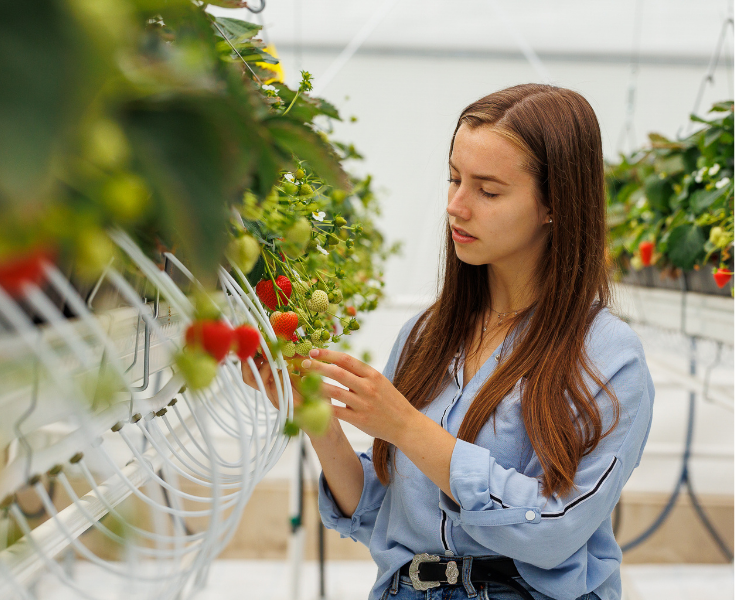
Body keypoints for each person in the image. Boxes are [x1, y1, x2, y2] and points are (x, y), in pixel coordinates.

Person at [241, 83, 654, 600]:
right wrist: (318, 420)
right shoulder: (425, 334)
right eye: (455, 179)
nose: (456, 206)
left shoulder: (609, 357)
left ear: (555, 204)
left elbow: (553, 531)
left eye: (488, 190)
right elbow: (380, 514)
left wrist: (408, 427)